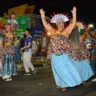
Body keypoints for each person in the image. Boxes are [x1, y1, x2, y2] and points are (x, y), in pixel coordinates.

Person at [40, 7, 83, 92]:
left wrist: (74, 14)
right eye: (59, 23)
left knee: (65, 69)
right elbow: (45, 24)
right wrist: (42, 15)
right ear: (56, 24)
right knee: (57, 70)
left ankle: (64, 84)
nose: (60, 24)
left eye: (62, 23)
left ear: (64, 24)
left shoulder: (66, 32)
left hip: (63, 55)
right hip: (54, 55)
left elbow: (73, 24)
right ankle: (60, 83)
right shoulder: (52, 31)